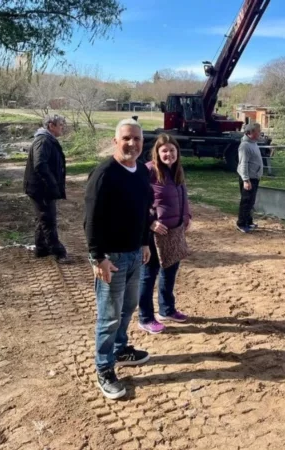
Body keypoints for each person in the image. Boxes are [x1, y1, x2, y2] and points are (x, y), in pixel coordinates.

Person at [85, 118, 154, 400]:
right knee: (109, 317)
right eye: (126, 138)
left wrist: (145, 243)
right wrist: (97, 257)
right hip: (111, 257)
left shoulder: (140, 173)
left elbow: (143, 212)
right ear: (116, 141)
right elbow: (90, 220)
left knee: (128, 308)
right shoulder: (104, 174)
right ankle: (104, 368)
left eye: (137, 139)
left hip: (136, 253)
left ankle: (120, 349)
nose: (132, 144)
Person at [137, 134, 192, 334]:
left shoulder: (177, 170)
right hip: (154, 234)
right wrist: (150, 223)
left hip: (175, 230)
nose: (169, 154)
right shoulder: (149, 170)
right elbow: (138, 202)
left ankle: (167, 309)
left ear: (177, 152)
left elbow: (183, 195)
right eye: (164, 151)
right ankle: (145, 317)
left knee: (170, 271)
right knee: (148, 275)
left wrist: (187, 216)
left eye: (172, 150)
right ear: (157, 153)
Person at [23, 114, 69, 263]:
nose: (62, 127)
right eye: (60, 124)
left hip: (42, 188)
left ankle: (41, 249)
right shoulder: (43, 141)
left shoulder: (47, 139)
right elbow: (40, 164)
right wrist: (52, 184)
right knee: (48, 220)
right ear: (51, 125)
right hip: (41, 189)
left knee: (42, 218)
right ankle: (58, 252)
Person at [236, 121, 264, 233]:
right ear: (250, 132)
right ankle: (241, 223)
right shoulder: (245, 146)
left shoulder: (253, 143)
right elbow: (243, 164)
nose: (259, 134)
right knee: (246, 201)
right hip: (249, 178)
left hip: (254, 177)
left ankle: (248, 221)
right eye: (258, 132)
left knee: (251, 201)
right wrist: (246, 180)